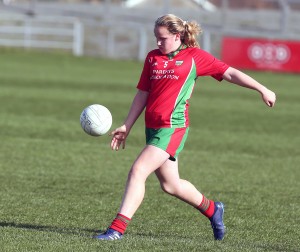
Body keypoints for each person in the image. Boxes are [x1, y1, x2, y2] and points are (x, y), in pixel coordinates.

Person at [94, 14, 276, 241]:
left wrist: (262, 89)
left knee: (138, 171)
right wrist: (127, 125)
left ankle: (116, 230)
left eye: (163, 38)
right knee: (171, 185)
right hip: (152, 127)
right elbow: (143, 93)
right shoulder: (153, 58)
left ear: (177, 36)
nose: (158, 43)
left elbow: (229, 72)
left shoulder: (194, 57)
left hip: (173, 127)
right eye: (156, 38)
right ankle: (213, 209)